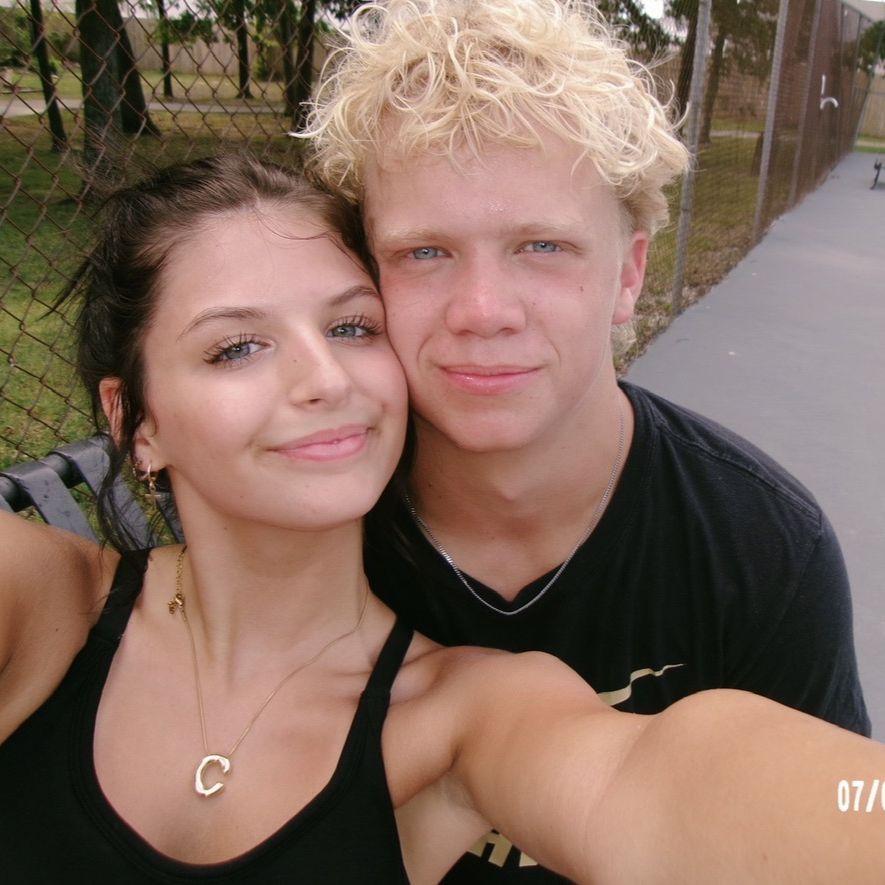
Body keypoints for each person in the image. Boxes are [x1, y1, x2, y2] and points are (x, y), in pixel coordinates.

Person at [1, 153, 885, 883]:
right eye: (237, 346)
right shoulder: (42, 608)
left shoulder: (463, 713)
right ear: (135, 422)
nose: (326, 379)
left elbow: (663, 784)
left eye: (351, 328)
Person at [301, 0, 871, 877]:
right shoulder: (303, 527)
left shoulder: (763, 549)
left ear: (629, 273)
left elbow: (842, 811)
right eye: (423, 253)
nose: (482, 312)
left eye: (541, 246)